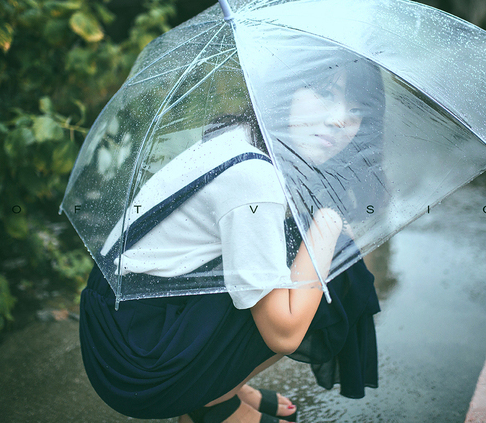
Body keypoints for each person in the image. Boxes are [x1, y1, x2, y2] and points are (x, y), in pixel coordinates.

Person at [79, 52, 385, 423]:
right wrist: (330, 219)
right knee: (336, 263)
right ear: (284, 89)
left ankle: (226, 386)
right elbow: (284, 333)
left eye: (356, 109)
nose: (339, 119)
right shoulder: (254, 176)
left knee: (302, 248)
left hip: (126, 314)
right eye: (324, 93)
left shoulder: (243, 132)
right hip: (137, 365)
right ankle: (211, 402)